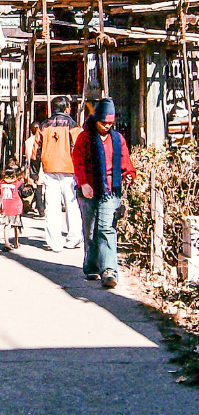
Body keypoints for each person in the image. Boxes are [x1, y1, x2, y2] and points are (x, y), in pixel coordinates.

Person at [73, 97, 135, 289]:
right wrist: (83, 183)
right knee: (90, 230)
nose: (106, 127)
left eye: (110, 123)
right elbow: (78, 162)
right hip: (88, 190)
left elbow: (125, 160)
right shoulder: (84, 138)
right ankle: (92, 266)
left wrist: (130, 174)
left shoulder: (118, 139)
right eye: (103, 123)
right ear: (96, 120)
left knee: (106, 228)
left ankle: (109, 271)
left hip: (110, 190)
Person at [35, 95, 82, 252]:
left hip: (49, 169)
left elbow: (36, 150)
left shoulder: (43, 125)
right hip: (69, 169)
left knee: (52, 206)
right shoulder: (72, 125)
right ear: (67, 108)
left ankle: (55, 243)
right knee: (72, 203)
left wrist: (35, 173)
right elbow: (81, 147)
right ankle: (73, 238)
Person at [0, 159, 24, 251]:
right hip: (16, 207)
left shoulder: (1, 183)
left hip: (5, 207)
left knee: (7, 225)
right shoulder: (19, 183)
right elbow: (23, 193)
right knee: (16, 225)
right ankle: (16, 242)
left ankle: (6, 243)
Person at [23, 121, 45, 217]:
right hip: (38, 166)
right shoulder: (40, 141)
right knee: (38, 188)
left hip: (30, 166)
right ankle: (41, 209)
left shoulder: (27, 141)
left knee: (34, 187)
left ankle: (32, 206)